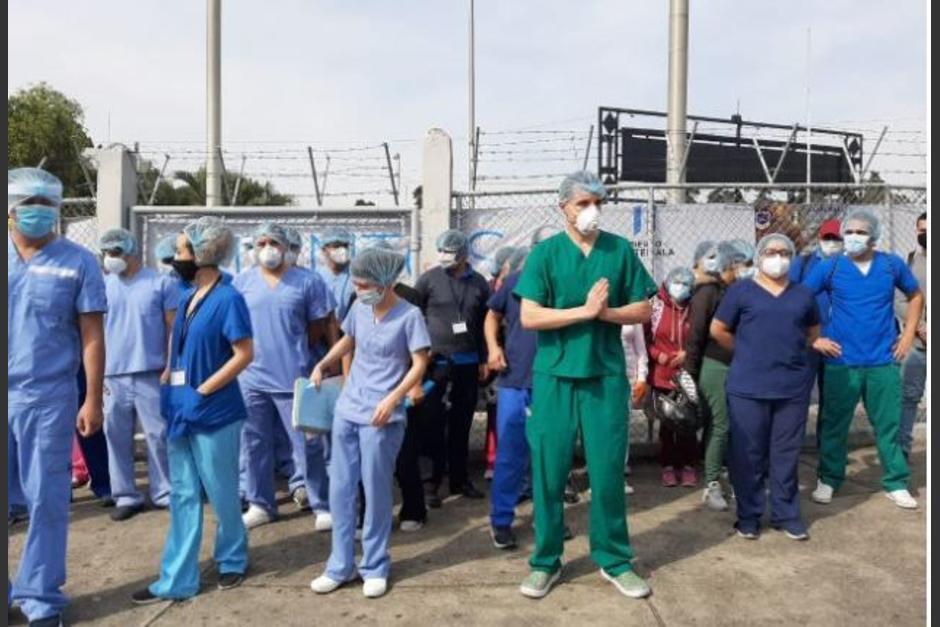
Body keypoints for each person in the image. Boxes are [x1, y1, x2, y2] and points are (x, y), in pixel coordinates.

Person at [514, 171, 657, 600]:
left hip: (604, 375)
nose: (592, 209)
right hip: (556, 375)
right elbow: (530, 317)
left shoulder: (619, 250)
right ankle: (546, 561)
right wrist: (582, 311)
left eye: (599, 201)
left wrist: (606, 314)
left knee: (608, 470)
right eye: (583, 202)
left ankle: (614, 558)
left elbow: (645, 309)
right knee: (549, 472)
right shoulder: (544, 254)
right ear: (564, 207)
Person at [132, 217, 254, 604]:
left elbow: (244, 353)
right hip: (180, 407)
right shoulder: (186, 296)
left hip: (215, 410)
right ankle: (177, 579)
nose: (175, 257)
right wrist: (170, 372)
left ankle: (232, 558)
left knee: (221, 492)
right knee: (183, 494)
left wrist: (205, 387)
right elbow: (177, 340)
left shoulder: (228, 299)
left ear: (203, 255)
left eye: (182, 250)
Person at [8, 167, 107, 626]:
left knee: (47, 498)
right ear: (10, 208)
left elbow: (91, 334)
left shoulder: (78, 262)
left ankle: (40, 598)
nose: (39, 213)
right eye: (29, 203)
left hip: (48, 397)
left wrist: (92, 399)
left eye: (48, 205)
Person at [309, 247, 430, 599]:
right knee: (341, 489)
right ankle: (339, 565)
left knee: (376, 491)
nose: (360, 288)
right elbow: (349, 338)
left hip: (382, 416)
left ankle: (375, 565)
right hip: (348, 409)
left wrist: (393, 398)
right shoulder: (360, 308)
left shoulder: (410, 316)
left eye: (365, 283)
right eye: (357, 283)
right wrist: (324, 363)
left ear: (386, 281)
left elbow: (419, 364)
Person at [710, 233, 834, 540]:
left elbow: (813, 330)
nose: (777, 257)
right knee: (747, 454)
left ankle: (786, 514)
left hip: (791, 389)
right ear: (759, 256)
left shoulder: (803, 294)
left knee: (786, 454)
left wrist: (805, 345)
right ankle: (749, 517)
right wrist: (746, 351)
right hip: (748, 387)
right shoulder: (741, 291)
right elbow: (718, 329)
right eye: (770, 251)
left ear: (791, 258)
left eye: (783, 252)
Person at [804, 209, 924, 510]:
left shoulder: (891, 265)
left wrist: (908, 333)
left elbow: (915, 295)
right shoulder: (831, 267)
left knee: (888, 425)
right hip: (842, 362)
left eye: (860, 232)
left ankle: (896, 482)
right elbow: (800, 298)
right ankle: (829, 479)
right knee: (834, 424)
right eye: (849, 231)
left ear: (873, 236)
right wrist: (814, 338)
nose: (853, 237)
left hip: (883, 360)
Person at [233, 223, 334, 530]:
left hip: (295, 376)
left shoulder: (308, 281)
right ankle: (261, 503)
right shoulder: (242, 282)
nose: (267, 248)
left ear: (286, 247)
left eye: (273, 242)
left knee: (309, 444)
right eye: (260, 242)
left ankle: (321, 503)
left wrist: (301, 351)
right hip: (251, 378)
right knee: (253, 443)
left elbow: (319, 324)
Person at [97, 227, 176, 521]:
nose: (110, 258)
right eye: (106, 253)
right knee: (115, 435)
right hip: (112, 374)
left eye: (115, 252)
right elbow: (94, 331)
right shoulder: (102, 285)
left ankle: (164, 492)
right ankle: (125, 495)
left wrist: (170, 365)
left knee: (158, 435)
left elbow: (173, 327)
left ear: (131, 251)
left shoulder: (159, 284)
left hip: (151, 372)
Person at [414, 229, 491, 506]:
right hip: (436, 364)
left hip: (468, 363)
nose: (444, 256)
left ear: (463, 254)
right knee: (431, 422)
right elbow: (414, 315)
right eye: (442, 251)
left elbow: (486, 324)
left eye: (450, 252)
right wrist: (421, 352)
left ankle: (459, 479)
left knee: (462, 422)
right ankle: (431, 484)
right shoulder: (429, 280)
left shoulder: (480, 284)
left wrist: (484, 357)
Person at [485, 248, 538, 549]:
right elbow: (492, 316)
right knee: (510, 454)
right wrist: (493, 348)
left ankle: (548, 517)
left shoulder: (567, 283)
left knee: (549, 457)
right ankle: (501, 520)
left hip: (552, 382)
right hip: (516, 380)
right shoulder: (516, 281)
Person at [686, 241, 740, 511]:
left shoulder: (729, 291)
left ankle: (721, 473)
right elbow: (695, 335)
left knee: (720, 425)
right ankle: (711, 484)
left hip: (732, 365)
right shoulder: (707, 293)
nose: (741, 270)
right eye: (738, 265)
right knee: (721, 424)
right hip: (714, 365)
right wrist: (690, 374)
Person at [790, 219, 844, 448]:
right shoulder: (802, 264)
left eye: (836, 239)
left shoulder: (849, 265)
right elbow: (788, 301)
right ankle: (791, 447)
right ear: (820, 239)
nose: (832, 243)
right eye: (827, 238)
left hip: (837, 343)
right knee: (798, 399)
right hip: (807, 342)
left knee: (833, 401)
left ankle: (827, 449)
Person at [645, 267, 696, 488]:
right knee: (667, 423)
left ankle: (687, 466)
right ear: (667, 283)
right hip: (662, 373)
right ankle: (667, 466)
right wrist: (660, 356)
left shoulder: (695, 307)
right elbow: (644, 340)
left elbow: (702, 335)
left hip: (687, 375)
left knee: (688, 423)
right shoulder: (654, 306)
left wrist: (688, 354)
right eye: (677, 283)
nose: (681, 288)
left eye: (686, 284)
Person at [896, 212, 927, 459]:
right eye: (921, 229)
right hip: (917, 344)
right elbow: (899, 299)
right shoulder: (909, 261)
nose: (925, 234)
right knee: (908, 398)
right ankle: (902, 452)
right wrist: (919, 326)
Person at [621, 322, 648, 495]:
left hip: (626, 379)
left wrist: (641, 378)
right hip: (599, 380)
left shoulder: (632, 310)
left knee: (621, 429)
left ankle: (617, 477)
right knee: (597, 432)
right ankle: (597, 479)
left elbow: (641, 351)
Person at [317, 227, 356, 323]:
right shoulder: (317, 277)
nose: (342, 250)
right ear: (324, 249)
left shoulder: (357, 274)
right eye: (336, 246)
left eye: (345, 245)